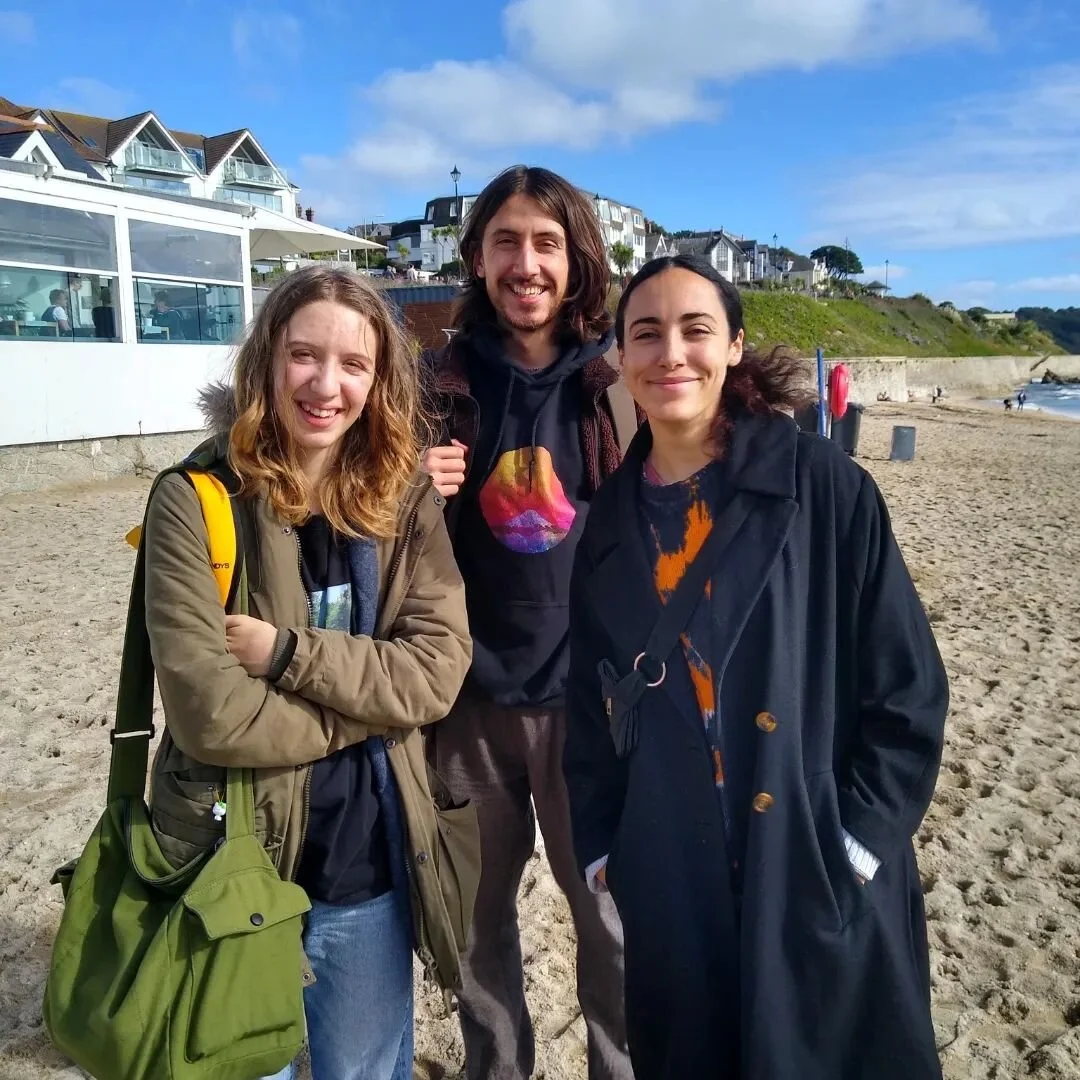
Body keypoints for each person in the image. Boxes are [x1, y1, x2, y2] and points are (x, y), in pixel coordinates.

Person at [564, 255, 948, 1079]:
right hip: (673, 876)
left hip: (811, 863)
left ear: (734, 346)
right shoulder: (607, 526)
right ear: (621, 359)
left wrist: (857, 844)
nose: (671, 353)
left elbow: (908, 690)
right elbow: (588, 714)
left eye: (696, 330)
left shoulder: (825, 487)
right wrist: (604, 851)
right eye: (646, 334)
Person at [142, 265, 474, 1080]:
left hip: (368, 859)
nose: (327, 385)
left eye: (353, 364)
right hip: (231, 858)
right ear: (266, 360)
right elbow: (213, 715)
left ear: (379, 379)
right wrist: (374, 706)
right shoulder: (193, 499)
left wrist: (291, 655)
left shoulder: (405, 499)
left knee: (362, 1067)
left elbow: (438, 670)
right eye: (304, 355)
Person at [422, 165, 635, 1080]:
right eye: (505, 241)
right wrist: (409, 487)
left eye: (546, 243)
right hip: (465, 697)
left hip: (595, 704)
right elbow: (358, 506)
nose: (526, 263)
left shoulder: (620, 379)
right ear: (477, 257)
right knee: (476, 922)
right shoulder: (436, 382)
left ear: (576, 257)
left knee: (612, 925)